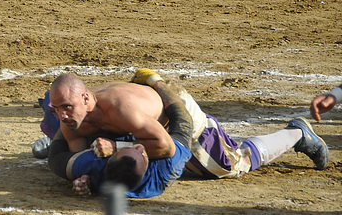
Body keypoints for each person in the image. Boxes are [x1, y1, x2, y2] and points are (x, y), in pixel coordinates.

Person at [46, 72, 329, 198]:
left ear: (85, 97)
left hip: (176, 115)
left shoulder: (122, 109)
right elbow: (79, 156)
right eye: (56, 109)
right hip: (144, 128)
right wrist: (87, 178)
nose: (63, 116)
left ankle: (296, 133)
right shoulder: (75, 119)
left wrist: (117, 145)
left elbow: (167, 146)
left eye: (67, 107)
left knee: (230, 164)